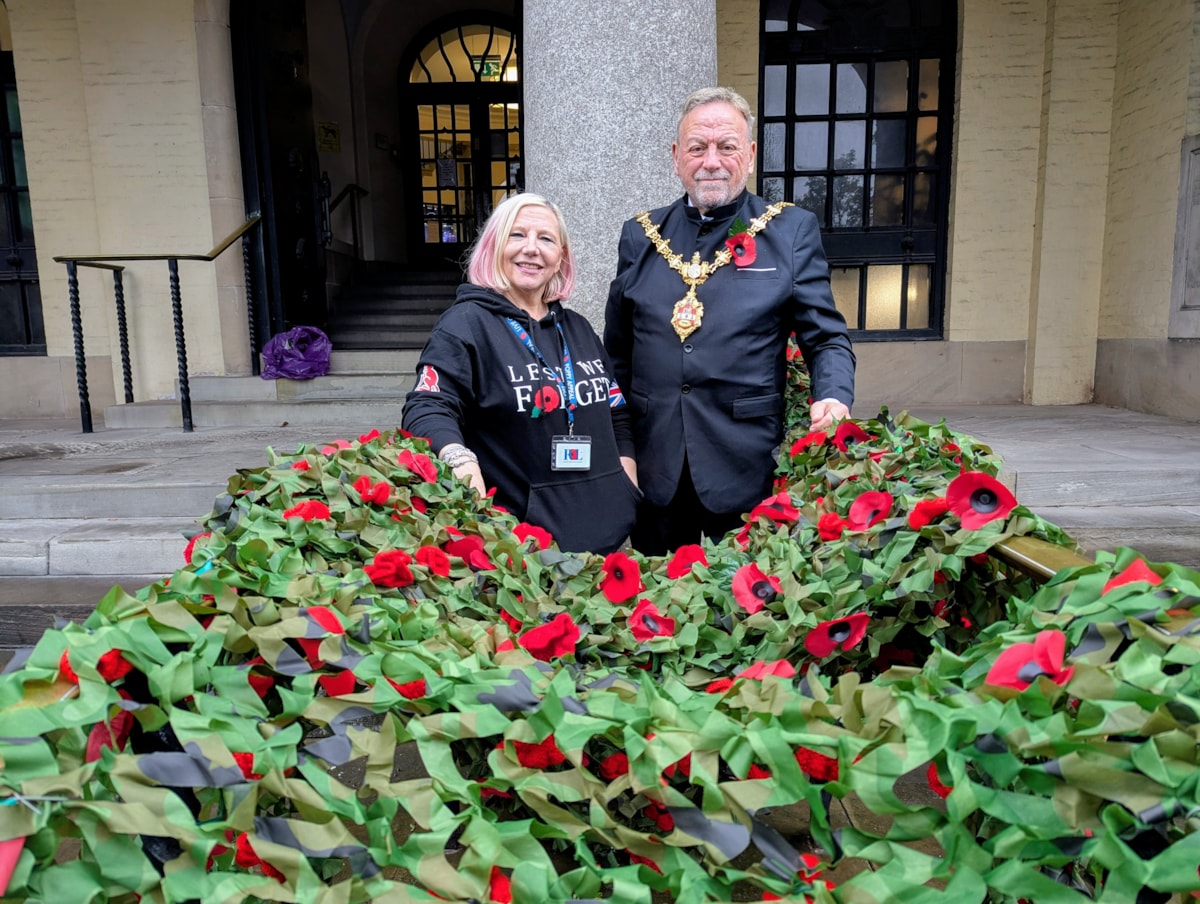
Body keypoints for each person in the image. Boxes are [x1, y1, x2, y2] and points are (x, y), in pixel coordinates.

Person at [604, 86, 856, 556]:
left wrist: (834, 396)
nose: (711, 161)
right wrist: (614, 446)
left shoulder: (790, 231)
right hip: (654, 462)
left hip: (746, 461)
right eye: (697, 147)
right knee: (657, 595)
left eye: (727, 147)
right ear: (676, 156)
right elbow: (617, 354)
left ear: (751, 155)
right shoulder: (640, 236)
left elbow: (826, 338)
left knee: (743, 592)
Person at [403, 193, 641, 554]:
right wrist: (461, 461)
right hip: (521, 550)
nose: (531, 249)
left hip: (608, 544)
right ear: (494, 247)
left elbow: (616, 411)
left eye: (545, 239)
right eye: (517, 235)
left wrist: (625, 486)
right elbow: (427, 408)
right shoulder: (465, 325)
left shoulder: (577, 328)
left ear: (560, 257)